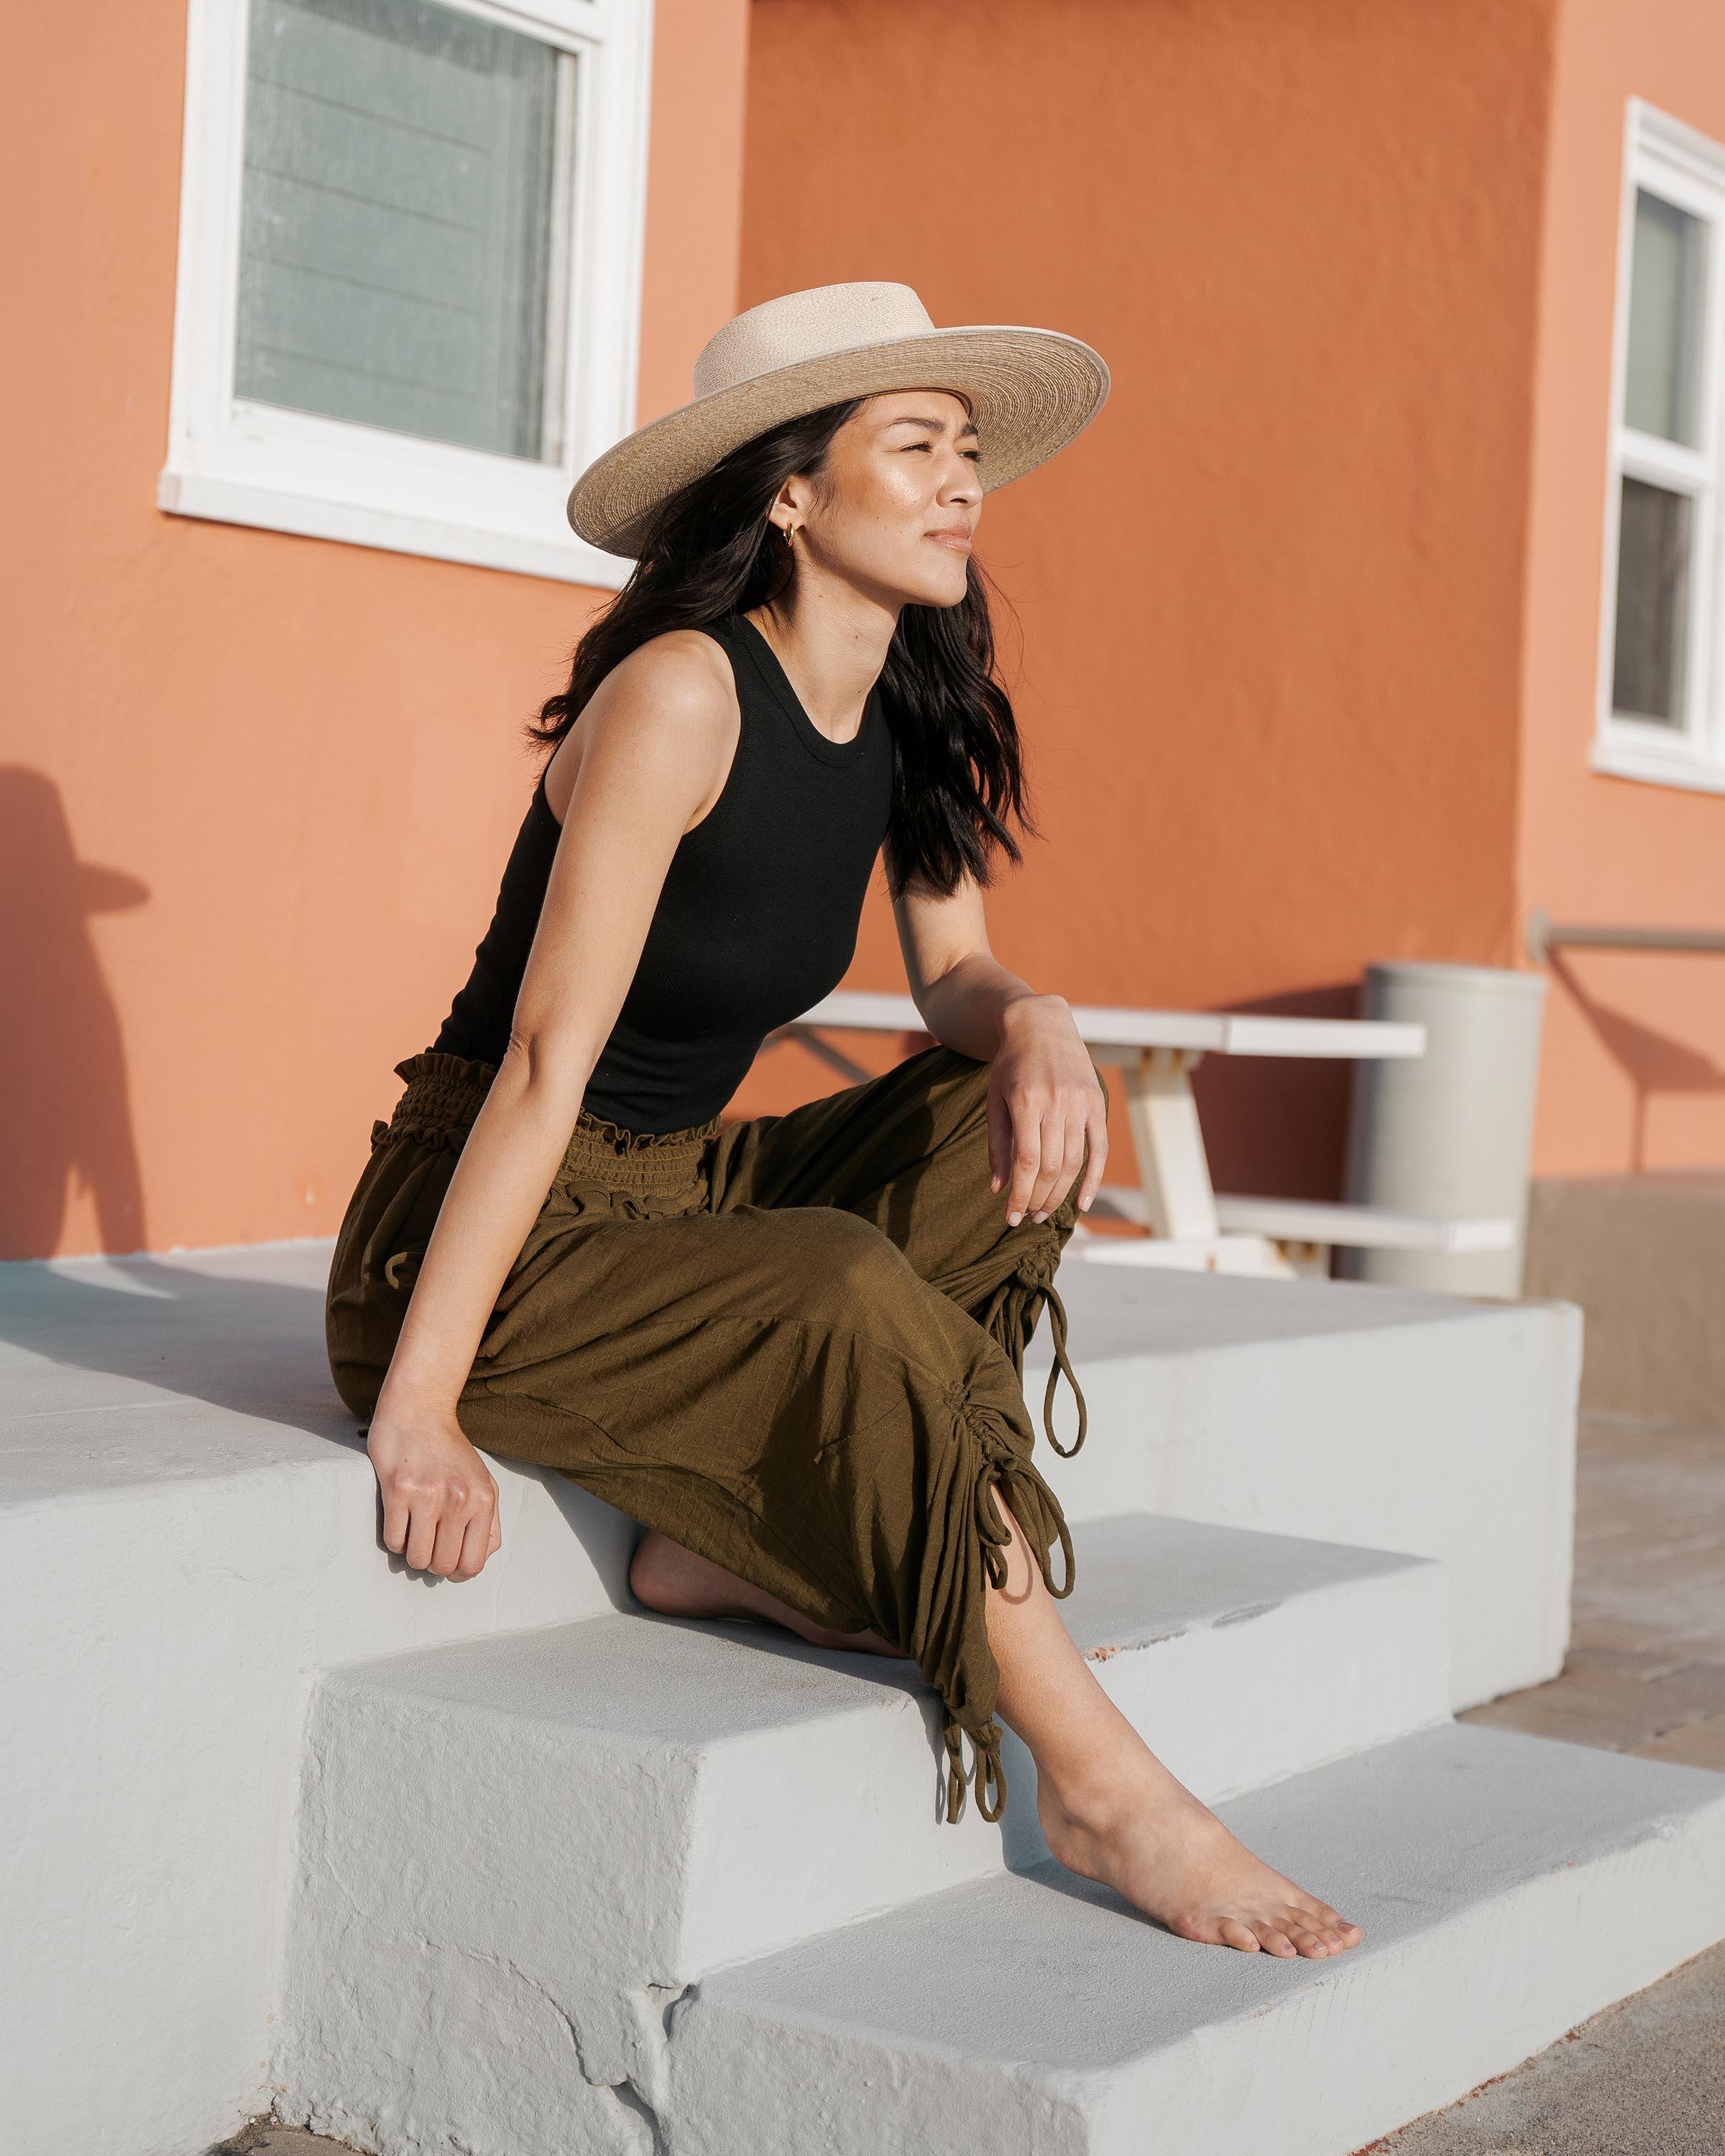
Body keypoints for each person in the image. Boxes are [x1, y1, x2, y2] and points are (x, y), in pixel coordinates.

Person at [325, 281, 1363, 1962]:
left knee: (995, 1116)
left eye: (968, 449)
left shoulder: (907, 709)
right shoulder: (682, 695)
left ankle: (729, 1539)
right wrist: (419, 1405)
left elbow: (951, 976)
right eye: (915, 445)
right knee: (832, 1280)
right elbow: (538, 1069)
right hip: (482, 1226)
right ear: (791, 494)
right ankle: (1106, 1789)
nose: (964, 480)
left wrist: (1037, 1021)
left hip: (669, 1199)